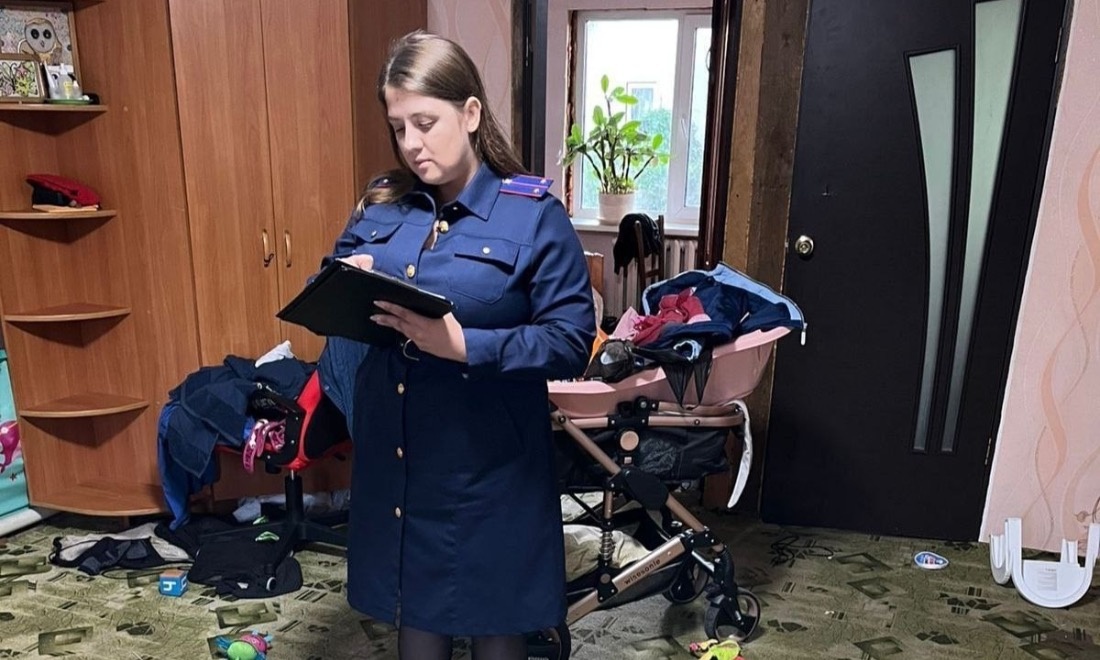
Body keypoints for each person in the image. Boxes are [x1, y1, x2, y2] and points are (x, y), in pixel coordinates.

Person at [316, 30, 596, 660]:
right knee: (416, 622)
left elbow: (570, 339)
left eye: (425, 123)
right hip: (401, 465)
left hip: (489, 469)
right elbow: (325, 290)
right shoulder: (383, 206)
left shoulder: (532, 214)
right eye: (398, 128)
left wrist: (465, 345)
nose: (411, 144)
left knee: (497, 626)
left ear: (470, 113)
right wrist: (346, 282)